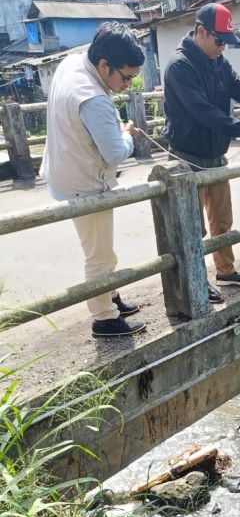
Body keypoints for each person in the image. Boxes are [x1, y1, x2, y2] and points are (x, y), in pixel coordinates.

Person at [163, 2, 240, 304]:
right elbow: (203, 112)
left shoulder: (218, 61)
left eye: (226, 41)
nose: (223, 47)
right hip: (188, 159)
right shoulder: (180, 65)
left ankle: (225, 271)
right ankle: (195, 281)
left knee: (222, 220)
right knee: (192, 227)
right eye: (219, 40)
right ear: (201, 32)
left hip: (216, 156)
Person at [41, 22, 146, 338]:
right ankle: (104, 318)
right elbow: (114, 153)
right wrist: (127, 135)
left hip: (66, 168)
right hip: (84, 182)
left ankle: (110, 296)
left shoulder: (74, 62)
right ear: (104, 65)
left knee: (101, 248)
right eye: (126, 77)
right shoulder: (94, 98)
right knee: (99, 254)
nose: (128, 84)